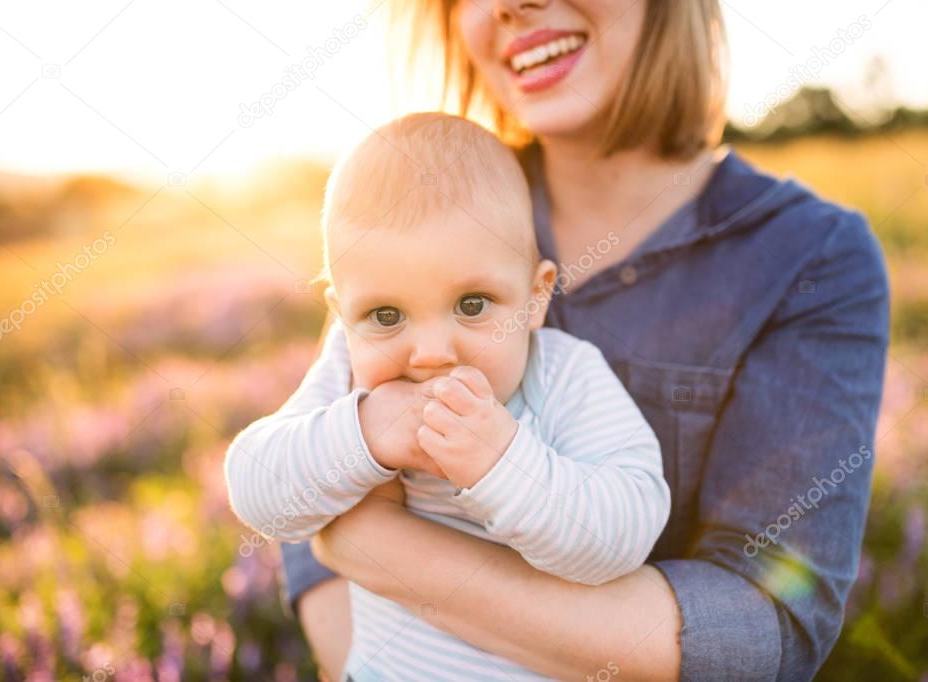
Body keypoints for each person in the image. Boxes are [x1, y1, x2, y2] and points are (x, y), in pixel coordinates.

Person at [271, 0, 891, 679]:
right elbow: (301, 489)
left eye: (475, 305)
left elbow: (764, 624)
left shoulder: (809, 257)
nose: (512, 4)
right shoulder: (430, 206)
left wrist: (373, 544)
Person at [224, 112, 672, 680]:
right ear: (341, 316)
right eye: (385, 316)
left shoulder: (563, 375)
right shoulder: (347, 372)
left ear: (535, 298)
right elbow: (257, 489)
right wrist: (364, 434)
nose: (431, 353)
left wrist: (504, 466)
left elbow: (627, 527)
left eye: (473, 304)